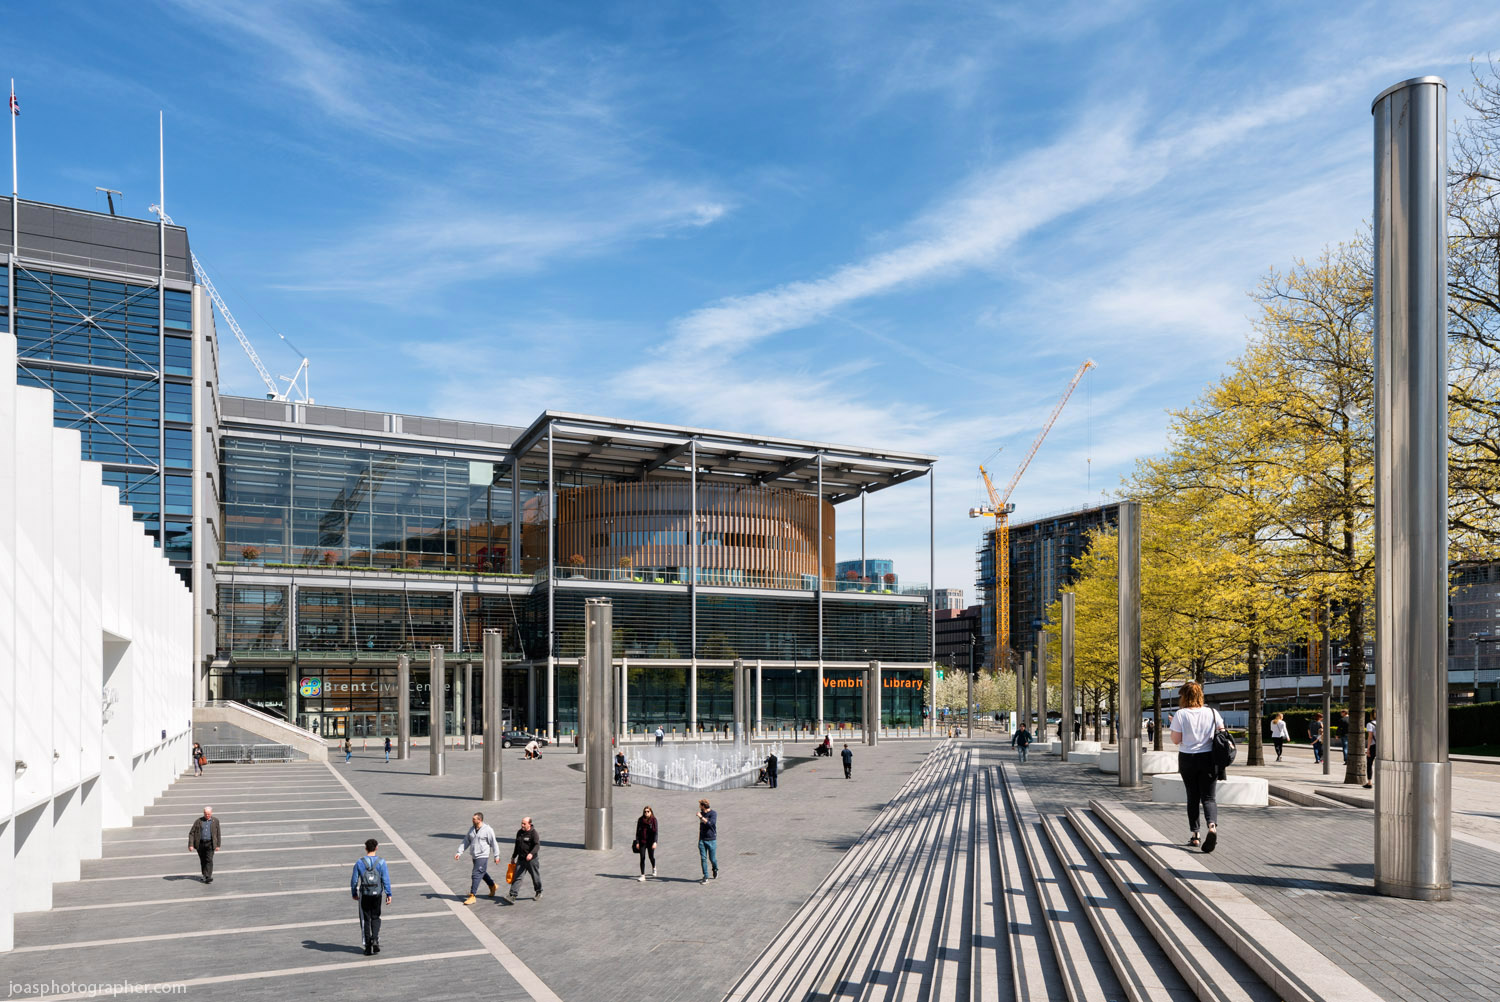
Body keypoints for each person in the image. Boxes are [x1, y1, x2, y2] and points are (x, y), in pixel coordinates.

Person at [1170, 681, 1226, 853]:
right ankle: (1212, 826)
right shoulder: (1212, 712)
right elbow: (1222, 732)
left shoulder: (1181, 714)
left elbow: (1176, 740)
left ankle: (1195, 835)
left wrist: (1174, 724)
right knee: (1209, 797)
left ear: (1184, 697)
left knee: (1192, 797)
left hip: (1187, 759)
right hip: (1209, 758)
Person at [351, 837, 392, 955]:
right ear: (377, 848)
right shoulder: (381, 862)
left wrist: (354, 893)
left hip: (365, 894)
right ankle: (375, 938)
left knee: (365, 920)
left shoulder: (359, 862)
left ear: (366, 848)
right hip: (377, 894)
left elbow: (354, 880)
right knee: (376, 917)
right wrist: (388, 893)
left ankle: (368, 946)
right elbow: (386, 879)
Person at [455, 811, 500, 904]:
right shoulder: (472, 829)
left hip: (483, 855)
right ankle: (492, 885)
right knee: (481, 872)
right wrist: (459, 852)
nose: (472, 820)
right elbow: (466, 841)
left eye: (474, 819)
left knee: (475, 874)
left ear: (479, 820)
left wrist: (496, 855)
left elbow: (494, 843)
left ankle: (472, 896)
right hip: (475, 855)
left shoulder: (488, 830)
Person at [507, 816, 542, 901]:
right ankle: (512, 895)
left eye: (524, 824)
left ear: (529, 824)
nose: (522, 825)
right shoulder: (519, 832)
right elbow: (517, 846)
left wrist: (531, 854)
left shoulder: (534, 833)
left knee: (535, 876)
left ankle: (539, 891)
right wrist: (513, 856)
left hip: (531, 860)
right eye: (521, 823)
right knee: (517, 876)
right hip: (521, 859)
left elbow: (537, 845)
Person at [187, 806, 221, 883]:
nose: (207, 815)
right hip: (200, 844)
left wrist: (218, 845)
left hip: (210, 843)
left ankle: (208, 876)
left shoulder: (215, 821)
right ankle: (204, 875)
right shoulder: (198, 821)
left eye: (208, 814)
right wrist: (191, 845)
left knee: (209, 860)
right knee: (203, 860)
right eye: (205, 814)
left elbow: (218, 833)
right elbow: (192, 833)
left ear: (211, 813)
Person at [696, 799, 718, 883]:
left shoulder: (713, 814)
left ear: (703, 806)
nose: (699, 808)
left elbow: (710, 824)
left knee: (712, 859)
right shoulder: (701, 813)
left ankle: (715, 868)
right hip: (702, 840)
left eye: (700, 806)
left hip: (711, 839)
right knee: (703, 858)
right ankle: (706, 876)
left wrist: (701, 817)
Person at [634, 806, 658, 881]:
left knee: (651, 857)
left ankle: (654, 867)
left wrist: (655, 842)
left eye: (648, 811)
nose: (646, 813)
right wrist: (637, 842)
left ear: (651, 812)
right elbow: (637, 832)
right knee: (642, 858)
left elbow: (656, 832)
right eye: (645, 811)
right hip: (642, 842)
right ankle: (642, 875)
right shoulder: (640, 820)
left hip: (650, 842)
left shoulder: (654, 820)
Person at [1363, 710, 1377, 789]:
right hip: (1382, 746)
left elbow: (1370, 737)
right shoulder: (1383, 723)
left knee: (1369, 763)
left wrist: (1368, 748)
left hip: (1373, 745)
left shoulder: (1370, 724)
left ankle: (1369, 782)